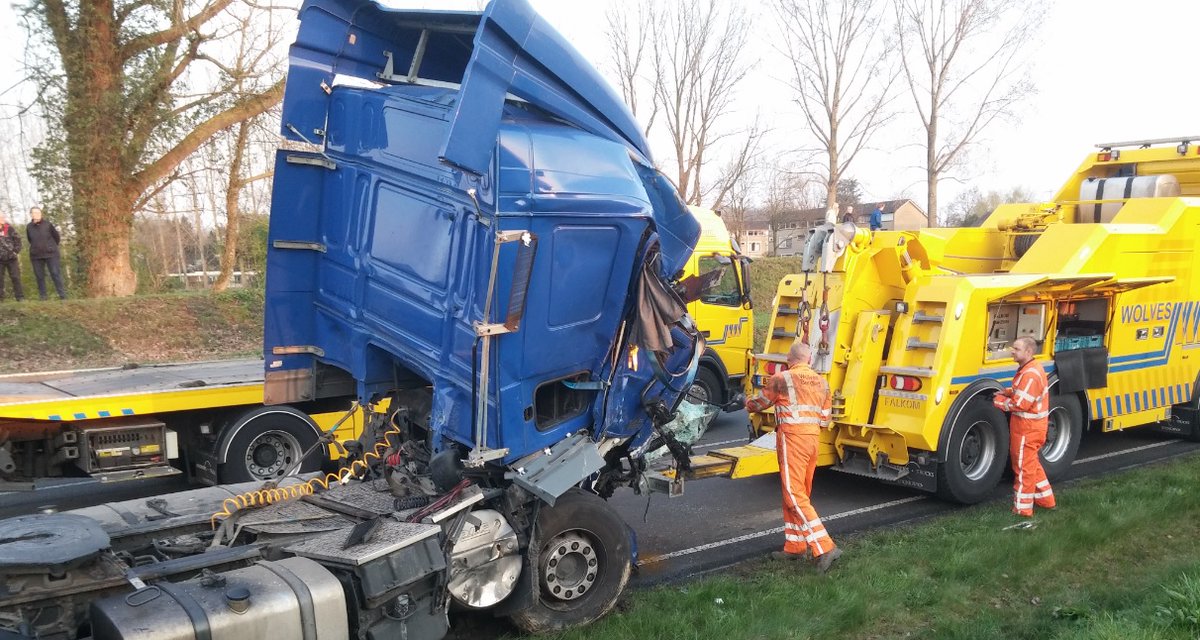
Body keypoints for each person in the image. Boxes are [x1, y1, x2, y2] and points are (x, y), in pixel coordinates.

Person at [746, 340, 842, 572]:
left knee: (793, 494)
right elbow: (825, 418)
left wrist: (746, 401)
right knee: (800, 493)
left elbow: (759, 404)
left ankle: (825, 546)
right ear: (808, 360)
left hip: (793, 439)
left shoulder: (782, 379)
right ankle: (795, 546)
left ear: (789, 360)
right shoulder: (823, 382)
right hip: (812, 441)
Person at [992, 336, 1056, 517]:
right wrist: (1008, 392)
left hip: (1027, 429)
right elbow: (1024, 393)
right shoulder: (1030, 370)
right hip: (1030, 427)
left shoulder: (1030, 374)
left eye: (1017, 349)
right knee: (1031, 465)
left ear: (1028, 352)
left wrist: (999, 401)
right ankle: (1046, 500)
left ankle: (1022, 509)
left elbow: (1020, 404)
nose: (1012, 351)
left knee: (1023, 470)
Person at [26, 206, 66, 300]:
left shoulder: (48, 224)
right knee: (39, 276)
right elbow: (30, 239)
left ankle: (62, 295)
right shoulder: (29, 227)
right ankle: (43, 296)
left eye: (38, 213)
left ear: (41, 214)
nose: (36, 214)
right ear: (31, 214)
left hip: (51, 254)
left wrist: (50, 247)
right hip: (36, 256)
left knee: (55, 273)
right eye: (34, 213)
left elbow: (57, 237)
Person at [0, 210, 24, 301]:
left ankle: (20, 297)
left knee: (15, 277)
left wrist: (15, 252)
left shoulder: (9, 228)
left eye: (3, 217)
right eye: (1, 217)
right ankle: (1, 298)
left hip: (11, 258)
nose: (3, 219)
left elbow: (18, 240)